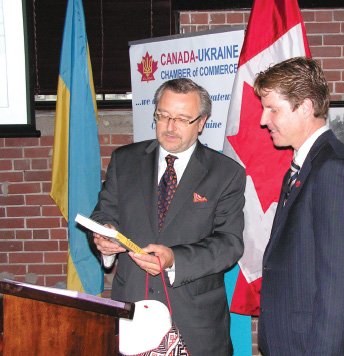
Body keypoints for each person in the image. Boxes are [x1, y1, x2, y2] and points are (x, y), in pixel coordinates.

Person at [88, 78, 245, 356]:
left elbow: (228, 244)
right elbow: (104, 213)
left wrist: (175, 259)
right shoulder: (125, 160)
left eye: (183, 119)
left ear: (202, 122)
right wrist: (103, 235)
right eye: (163, 116)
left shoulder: (226, 173)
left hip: (195, 321)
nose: (170, 127)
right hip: (132, 313)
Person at [254, 57, 344, 356]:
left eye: (273, 109)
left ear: (306, 107)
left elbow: (341, 290)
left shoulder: (335, 171)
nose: (263, 119)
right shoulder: (306, 166)